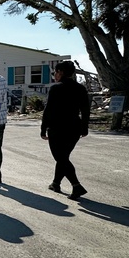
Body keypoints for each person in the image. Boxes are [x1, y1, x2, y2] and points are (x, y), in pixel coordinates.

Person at [40, 60, 91, 199]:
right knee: (63, 157)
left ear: (61, 72)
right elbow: (85, 110)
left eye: (55, 72)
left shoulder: (56, 88)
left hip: (57, 128)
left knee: (61, 158)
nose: (54, 75)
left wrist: (43, 128)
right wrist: (84, 127)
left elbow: (48, 110)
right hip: (74, 127)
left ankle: (76, 186)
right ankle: (56, 183)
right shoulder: (80, 88)